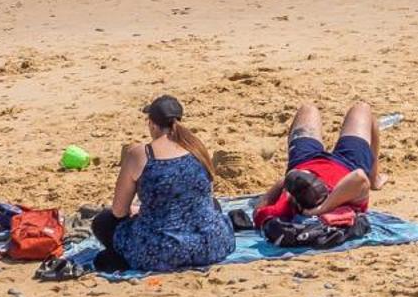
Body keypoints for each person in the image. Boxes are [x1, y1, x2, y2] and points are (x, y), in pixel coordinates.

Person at [90, 96, 234, 274]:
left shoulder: (141, 153)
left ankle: (126, 258)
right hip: (211, 245)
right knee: (213, 205)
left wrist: (139, 211)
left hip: (162, 250)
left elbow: (119, 211)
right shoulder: (197, 147)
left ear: (151, 124)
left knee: (103, 222)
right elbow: (203, 194)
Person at [253, 101, 383, 230]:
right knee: (362, 108)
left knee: (307, 109)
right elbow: (359, 176)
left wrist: (287, 183)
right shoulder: (342, 195)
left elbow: (258, 210)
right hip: (348, 163)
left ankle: (300, 171)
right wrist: (322, 209)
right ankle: (375, 179)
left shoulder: (283, 206)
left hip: (304, 161)